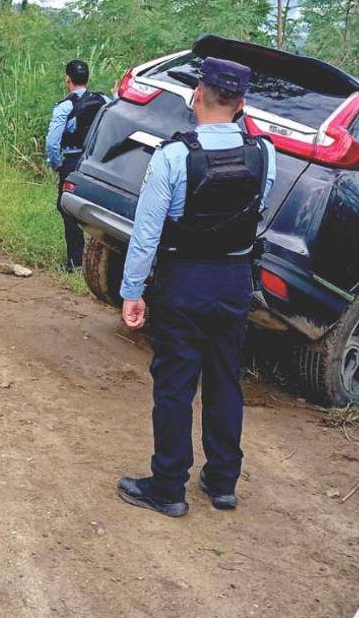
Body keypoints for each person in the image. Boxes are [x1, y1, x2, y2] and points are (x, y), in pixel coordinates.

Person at [115, 56, 275, 518]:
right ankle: (222, 481)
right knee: (226, 379)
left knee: (175, 384)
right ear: (242, 104)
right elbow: (257, 213)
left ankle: (168, 486)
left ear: (196, 97)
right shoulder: (265, 154)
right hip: (233, 281)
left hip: (183, 280)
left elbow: (146, 232)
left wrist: (132, 291)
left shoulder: (173, 156)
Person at [45, 59, 107, 271]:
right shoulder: (104, 100)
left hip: (72, 162)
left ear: (67, 79)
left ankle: (75, 261)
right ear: (87, 79)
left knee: (67, 209)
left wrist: (56, 164)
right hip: (96, 162)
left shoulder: (65, 106)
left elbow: (52, 142)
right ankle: (100, 259)